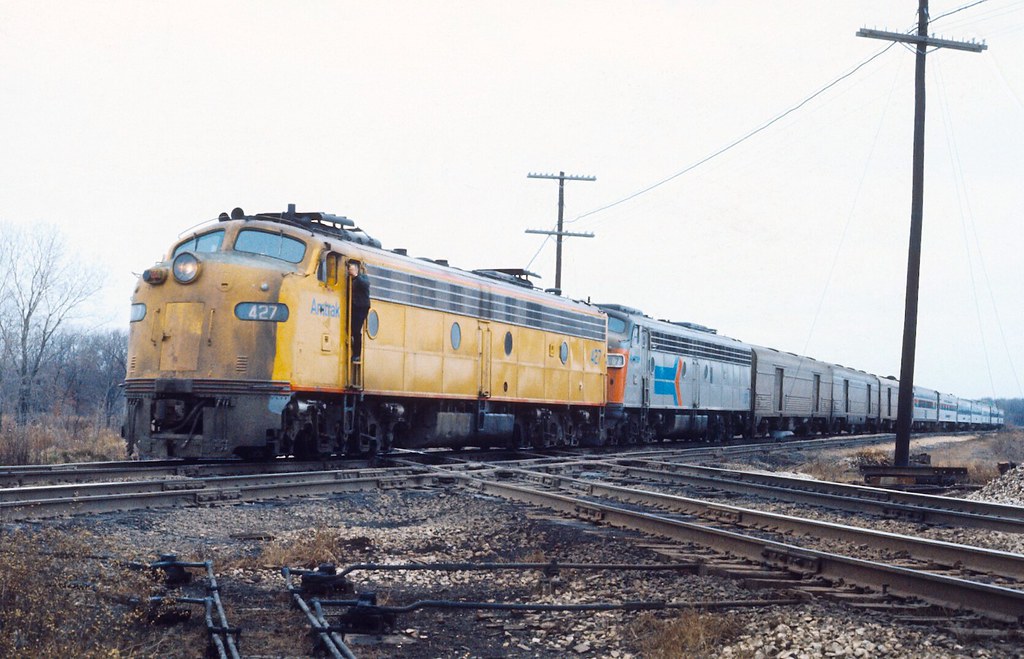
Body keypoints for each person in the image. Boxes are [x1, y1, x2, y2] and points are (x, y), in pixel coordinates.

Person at [348, 259, 370, 362]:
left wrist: (356, 275)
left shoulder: (363, 277)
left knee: (356, 330)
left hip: (362, 307)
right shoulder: (352, 279)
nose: (350, 271)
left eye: (351, 268)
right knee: (352, 329)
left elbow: (365, 284)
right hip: (355, 306)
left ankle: (357, 355)